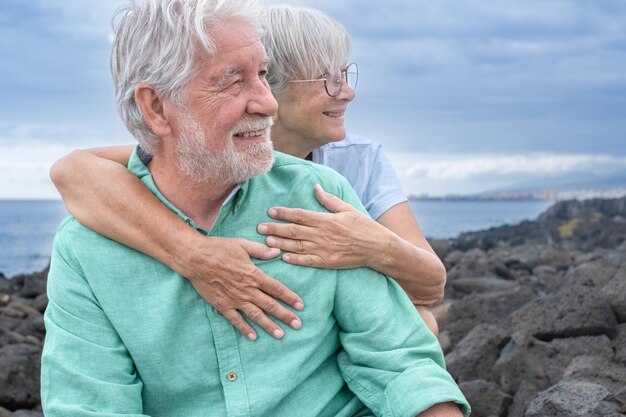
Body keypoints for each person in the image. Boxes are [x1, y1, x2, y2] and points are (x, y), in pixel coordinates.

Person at [41, 1, 469, 416]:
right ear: (155, 107)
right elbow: (90, 404)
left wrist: (376, 246)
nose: (267, 103)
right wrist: (192, 252)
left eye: (262, 75)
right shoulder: (86, 249)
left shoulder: (321, 191)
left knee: (421, 328)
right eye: (233, 82)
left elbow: (401, 360)